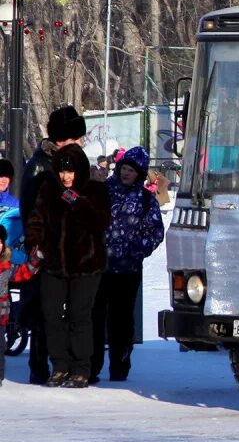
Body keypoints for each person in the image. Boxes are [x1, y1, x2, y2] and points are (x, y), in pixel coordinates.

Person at [25, 143, 111, 388]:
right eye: (62, 171)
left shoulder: (95, 190)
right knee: (51, 314)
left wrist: (79, 203)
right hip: (53, 264)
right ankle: (60, 366)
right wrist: (36, 245)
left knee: (79, 316)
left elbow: (101, 221)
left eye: (70, 171)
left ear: (80, 171)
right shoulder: (48, 190)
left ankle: (81, 368)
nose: (66, 176)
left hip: (86, 265)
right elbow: (36, 220)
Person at [20, 105, 87, 385]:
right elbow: (29, 209)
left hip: (73, 249)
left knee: (72, 309)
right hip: (46, 248)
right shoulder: (40, 165)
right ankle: (40, 366)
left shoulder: (73, 163)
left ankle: (72, 365)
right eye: (74, 139)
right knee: (42, 309)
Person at [92, 147, 164, 383]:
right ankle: (91, 366)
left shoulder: (145, 199)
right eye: (124, 168)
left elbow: (155, 231)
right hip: (100, 266)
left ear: (139, 173)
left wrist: (136, 251)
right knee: (95, 316)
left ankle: (119, 366)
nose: (126, 173)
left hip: (127, 270)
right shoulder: (103, 192)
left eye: (131, 170)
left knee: (121, 320)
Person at [0, 226, 41, 387]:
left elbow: (23, 273)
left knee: (0, 346)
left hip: (1, 317)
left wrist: (34, 260)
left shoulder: (6, 267)